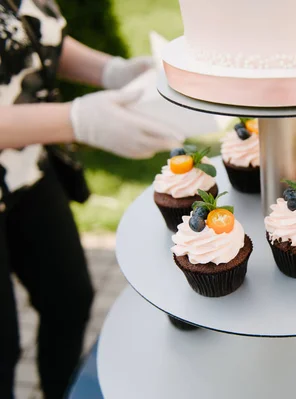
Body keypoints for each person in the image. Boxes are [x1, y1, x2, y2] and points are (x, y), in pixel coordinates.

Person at [0, 1, 182, 398]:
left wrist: (112, 71)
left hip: (25, 167)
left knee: (70, 298)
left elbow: (33, 36)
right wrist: (76, 120)